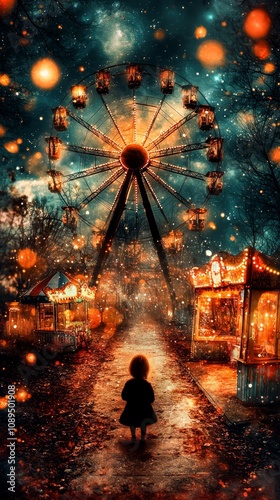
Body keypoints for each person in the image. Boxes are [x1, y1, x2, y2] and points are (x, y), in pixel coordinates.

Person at [119, 354, 157, 443]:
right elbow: (152, 398)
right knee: (143, 423)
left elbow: (123, 396)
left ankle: (133, 436)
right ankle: (143, 437)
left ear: (132, 369)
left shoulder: (129, 383)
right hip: (144, 408)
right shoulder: (147, 384)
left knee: (132, 422)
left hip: (131, 407)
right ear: (146, 370)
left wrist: (131, 398)